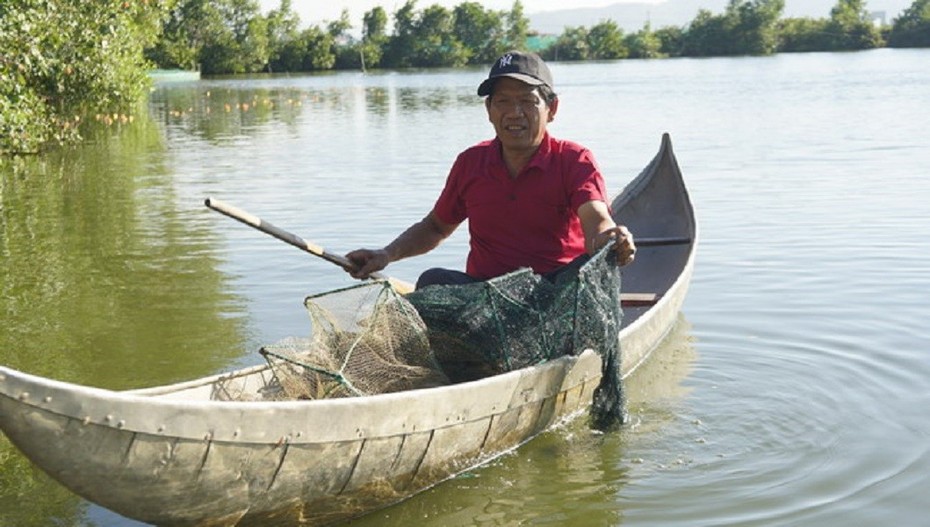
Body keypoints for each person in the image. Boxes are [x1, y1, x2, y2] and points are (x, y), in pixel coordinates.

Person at [346, 51, 636, 289]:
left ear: (552, 109)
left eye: (527, 101)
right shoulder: (471, 163)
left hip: (554, 291)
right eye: (503, 101)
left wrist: (610, 237)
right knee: (432, 281)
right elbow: (436, 227)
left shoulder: (574, 160)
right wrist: (387, 254)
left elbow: (596, 218)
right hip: (485, 294)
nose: (514, 113)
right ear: (489, 110)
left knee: (583, 275)